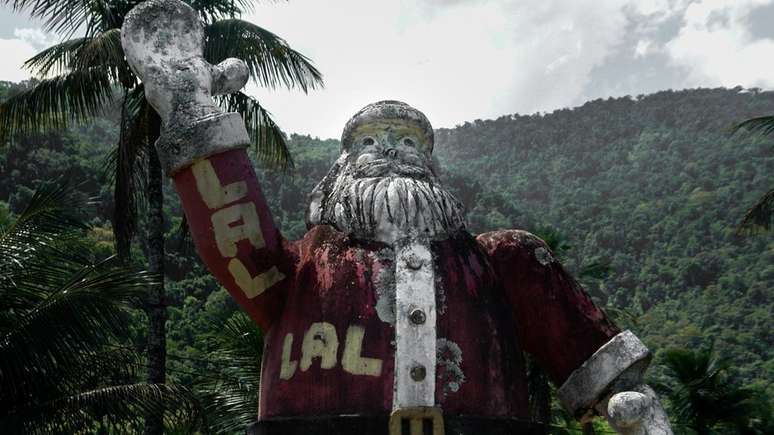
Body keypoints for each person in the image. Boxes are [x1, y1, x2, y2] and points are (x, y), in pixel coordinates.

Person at [122, 2, 672, 434]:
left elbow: (594, 361)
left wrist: (630, 405)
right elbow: (235, 245)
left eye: (409, 140)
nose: (390, 148)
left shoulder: (502, 263)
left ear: (431, 164)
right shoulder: (303, 267)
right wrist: (191, 110)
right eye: (370, 139)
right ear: (342, 162)